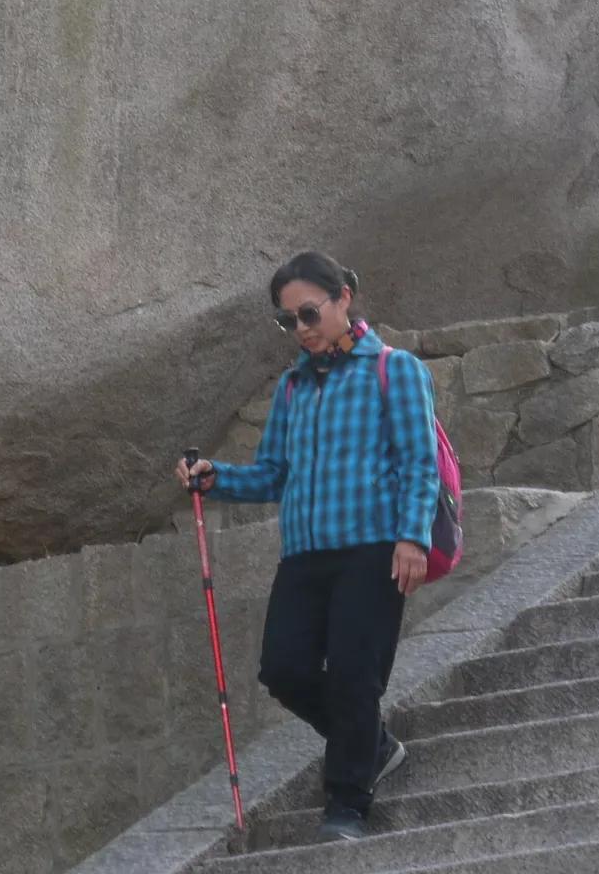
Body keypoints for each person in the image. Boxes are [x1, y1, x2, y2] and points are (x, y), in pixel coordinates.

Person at [175, 251, 439, 842]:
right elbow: (273, 474)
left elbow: (422, 464)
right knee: (284, 671)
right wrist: (217, 477)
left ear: (345, 296)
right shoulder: (291, 389)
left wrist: (412, 538)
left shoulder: (396, 371)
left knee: (353, 676)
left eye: (310, 313)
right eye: (288, 321)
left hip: (373, 551)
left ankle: (347, 805)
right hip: (304, 556)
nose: (301, 329)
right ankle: (373, 745)